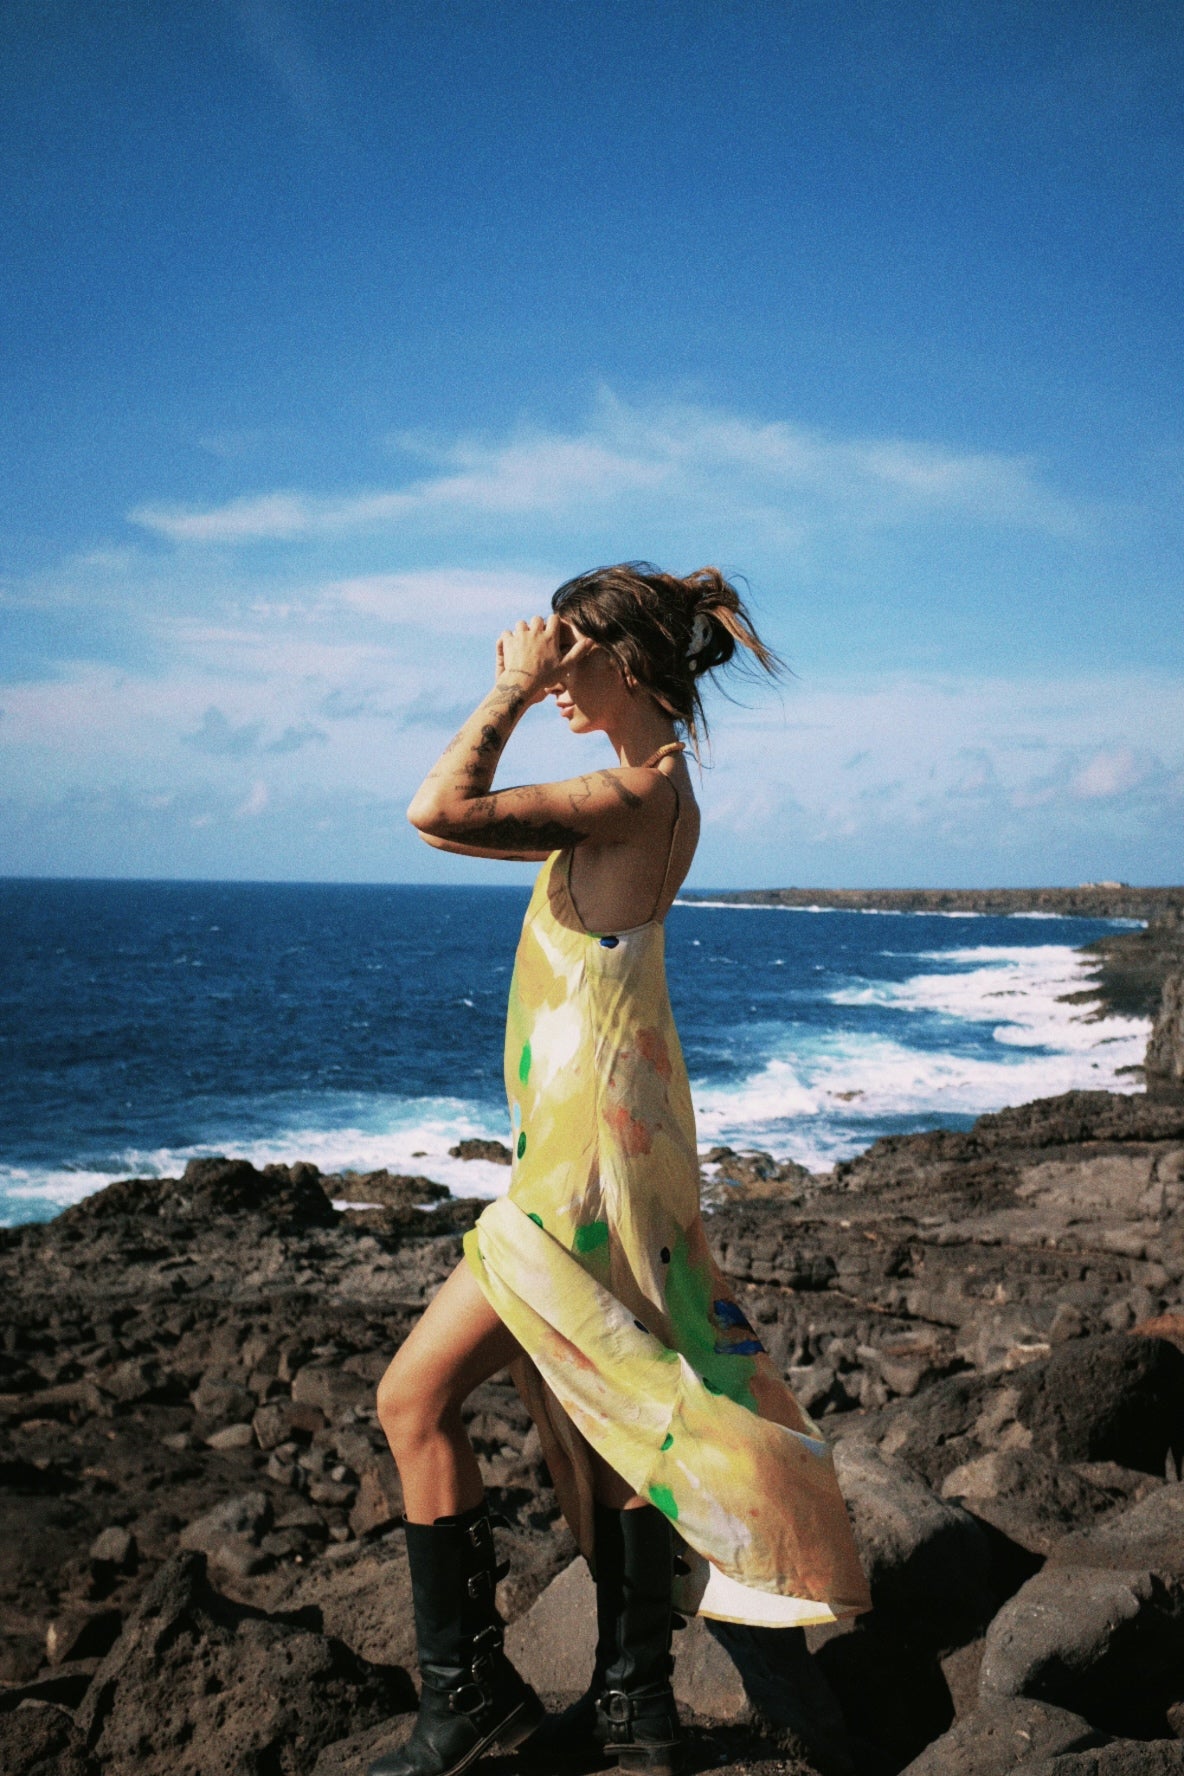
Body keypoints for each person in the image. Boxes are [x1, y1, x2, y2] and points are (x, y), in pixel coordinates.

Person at [372, 564, 871, 1776]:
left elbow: (435, 810)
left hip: (581, 1177)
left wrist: (502, 691)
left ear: (629, 663)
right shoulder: (638, 795)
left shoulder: (632, 794)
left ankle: (471, 1704)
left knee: (413, 1400)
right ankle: (631, 1702)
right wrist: (543, 671)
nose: (549, 672)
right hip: (608, 1151)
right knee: (604, 1428)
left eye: (569, 651)